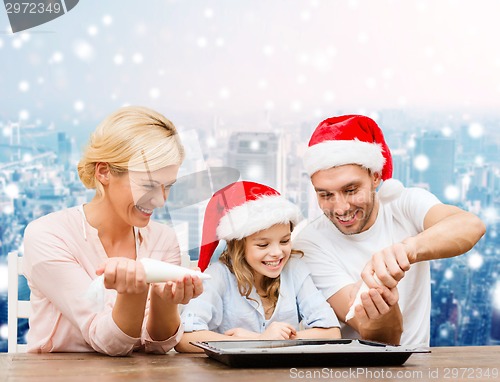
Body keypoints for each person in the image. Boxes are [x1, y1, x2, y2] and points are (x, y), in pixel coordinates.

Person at [23, 106, 203, 356]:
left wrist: (165, 302)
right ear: (104, 171)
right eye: (148, 185)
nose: (161, 201)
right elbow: (108, 342)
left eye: (167, 186)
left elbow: (158, 345)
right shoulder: (48, 235)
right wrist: (134, 292)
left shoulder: (163, 238)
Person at [293, 115, 486, 346]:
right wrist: (383, 304)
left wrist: (407, 249)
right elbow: (376, 337)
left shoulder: (405, 204)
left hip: (418, 368)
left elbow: (470, 225)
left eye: (351, 190)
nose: (341, 208)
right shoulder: (309, 244)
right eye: (325, 195)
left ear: (375, 177)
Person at [175, 181, 341, 353]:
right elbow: (186, 339)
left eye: (284, 241)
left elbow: (331, 332)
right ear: (239, 246)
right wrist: (261, 340)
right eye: (263, 245)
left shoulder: (295, 269)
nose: (277, 252)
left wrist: (270, 341)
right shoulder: (218, 275)